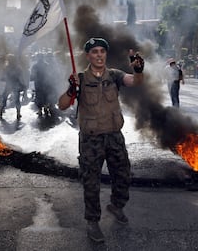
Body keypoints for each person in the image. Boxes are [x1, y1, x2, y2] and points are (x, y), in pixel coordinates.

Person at [57, 38, 144, 243]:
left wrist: (139, 70)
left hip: (114, 136)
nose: (99, 55)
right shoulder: (79, 79)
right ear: (88, 55)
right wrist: (71, 90)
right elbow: (61, 105)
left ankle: (116, 205)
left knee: (123, 175)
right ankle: (93, 222)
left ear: (105, 54)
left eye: (102, 51)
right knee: (91, 183)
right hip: (91, 140)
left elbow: (135, 81)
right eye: (94, 51)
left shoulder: (114, 75)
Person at [0, 54, 25, 120]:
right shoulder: (18, 68)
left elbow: (3, 77)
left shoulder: (6, 67)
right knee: (17, 100)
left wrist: (3, 79)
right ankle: (18, 113)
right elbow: (21, 77)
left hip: (8, 85)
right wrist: (23, 84)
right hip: (16, 85)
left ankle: (0, 112)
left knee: (4, 98)